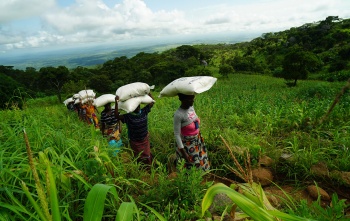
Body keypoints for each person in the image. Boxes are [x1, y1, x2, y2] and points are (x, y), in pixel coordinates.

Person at [114, 93, 154, 165]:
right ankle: (139, 170)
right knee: (138, 157)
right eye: (135, 106)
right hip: (135, 141)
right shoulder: (128, 116)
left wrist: (148, 92)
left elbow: (152, 102)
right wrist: (116, 103)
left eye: (138, 105)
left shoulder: (144, 111)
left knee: (147, 155)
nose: (137, 107)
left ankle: (149, 169)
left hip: (145, 139)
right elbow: (117, 116)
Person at [173, 93, 210, 171]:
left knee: (201, 159)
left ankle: (201, 176)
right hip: (187, 145)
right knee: (191, 164)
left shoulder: (191, 107)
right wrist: (183, 152)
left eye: (193, 98)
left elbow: (194, 118)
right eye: (189, 99)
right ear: (182, 100)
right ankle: (190, 181)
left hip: (197, 140)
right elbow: (177, 134)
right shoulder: (178, 115)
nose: (192, 101)